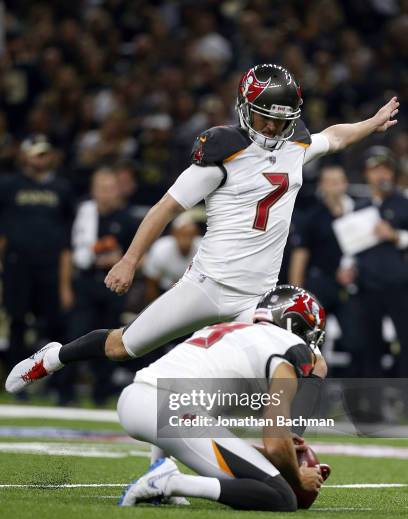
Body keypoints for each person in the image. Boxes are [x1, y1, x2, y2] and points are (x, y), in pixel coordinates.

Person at [5, 63, 399, 394]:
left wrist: (372, 123)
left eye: (281, 120)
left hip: (258, 298)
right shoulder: (222, 153)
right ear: (245, 108)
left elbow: (335, 136)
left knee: (310, 364)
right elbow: (163, 209)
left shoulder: (295, 147)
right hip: (207, 285)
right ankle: (54, 356)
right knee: (123, 346)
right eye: (265, 116)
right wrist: (129, 260)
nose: (273, 128)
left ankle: (285, 449)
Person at [118, 285, 327, 511]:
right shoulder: (290, 348)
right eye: (310, 334)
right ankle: (170, 482)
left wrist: (266, 455)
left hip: (134, 400)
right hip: (170, 412)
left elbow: (213, 432)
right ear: (295, 324)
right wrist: (297, 477)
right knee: (281, 496)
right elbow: (276, 442)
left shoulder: (230, 330)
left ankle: (159, 468)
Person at [0, 135, 74, 374]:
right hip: (16, 264)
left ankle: (56, 381)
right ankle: (15, 378)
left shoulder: (62, 188)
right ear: (25, 156)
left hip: (51, 265)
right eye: (36, 153)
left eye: (45, 153)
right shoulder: (9, 186)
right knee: (17, 321)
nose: (41, 158)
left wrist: (65, 282)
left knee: (55, 323)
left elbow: (67, 236)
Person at [65, 167, 139, 403]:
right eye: (101, 188)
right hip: (86, 281)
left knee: (110, 337)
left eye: (110, 188)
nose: (106, 193)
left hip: (113, 285)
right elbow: (67, 251)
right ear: (93, 191)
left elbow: (140, 256)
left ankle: (102, 392)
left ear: (117, 190)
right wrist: (65, 286)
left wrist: (120, 259)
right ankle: (66, 391)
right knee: (76, 334)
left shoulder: (126, 218)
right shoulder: (82, 214)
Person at [288, 166, 364, 375]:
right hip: (320, 284)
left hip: (352, 285)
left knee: (356, 340)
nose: (334, 186)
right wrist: (297, 293)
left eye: (338, 180)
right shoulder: (312, 217)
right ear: (321, 186)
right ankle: (315, 395)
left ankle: (354, 396)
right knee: (315, 342)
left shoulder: (358, 211)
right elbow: (300, 255)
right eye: (329, 181)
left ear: (346, 183)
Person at [346, 147, 408, 378]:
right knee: (369, 345)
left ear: (393, 173)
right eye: (374, 170)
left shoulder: (404, 202)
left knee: (405, 341)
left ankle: (403, 400)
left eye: (385, 169)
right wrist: (347, 269)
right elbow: (351, 247)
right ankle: (373, 404)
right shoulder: (359, 206)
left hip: (399, 286)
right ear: (366, 174)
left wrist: (395, 236)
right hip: (367, 286)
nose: (381, 175)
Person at [143, 213, 201, 303]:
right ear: (173, 234)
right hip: (165, 290)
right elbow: (151, 283)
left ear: (195, 234)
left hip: (196, 291)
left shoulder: (204, 249)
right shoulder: (160, 249)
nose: (186, 239)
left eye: (190, 234)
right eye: (182, 234)